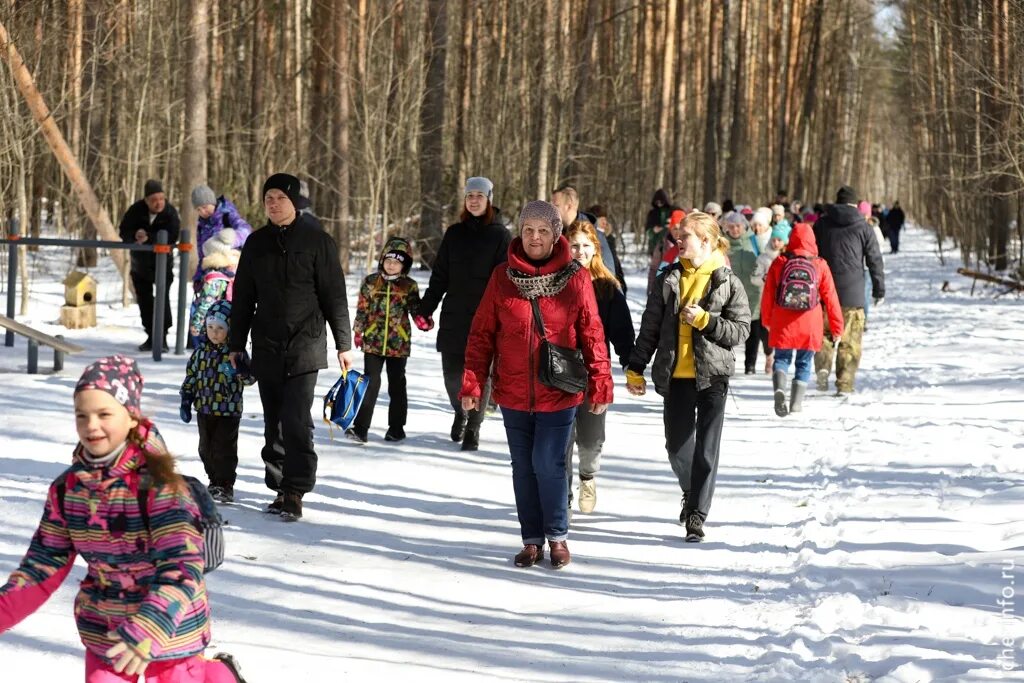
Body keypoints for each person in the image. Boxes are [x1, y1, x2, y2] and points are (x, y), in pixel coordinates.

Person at [0, 355, 245, 682]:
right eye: (81, 415)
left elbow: (182, 565)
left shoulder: (161, 488)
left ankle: (218, 675)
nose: (91, 426)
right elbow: (43, 563)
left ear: (131, 417)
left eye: (104, 414)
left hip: (171, 631)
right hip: (107, 632)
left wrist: (146, 629)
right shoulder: (68, 490)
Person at [460, 201, 613, 569]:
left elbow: (592, 332)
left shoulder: (574, 277)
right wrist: (472, 383)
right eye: (528, 230)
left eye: (543, 231)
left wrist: (600, 381)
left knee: (547, 463)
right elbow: (482, 334)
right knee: (522, 466)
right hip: (513, 391)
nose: (534, 237)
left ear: (556, 234)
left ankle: (557, 535)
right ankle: (531, 540)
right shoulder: (502, 277)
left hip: (558, 389)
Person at [230, 173, 353, 521]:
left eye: (280, 198)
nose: (273, 203)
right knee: (273, 422)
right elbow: (243, 298)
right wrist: (236, 344)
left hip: (306, 344)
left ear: (295, 202)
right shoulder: (255, 243)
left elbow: (335, 297)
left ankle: (296, 489)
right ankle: (280, 487)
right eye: (268, 197)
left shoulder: (318, 241)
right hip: (267, 343)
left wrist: (343, 343)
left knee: (296, 419)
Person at [626, 212, 750, 543]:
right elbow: (650, 326)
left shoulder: (727, 281)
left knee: (707, 450)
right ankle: (691, 489)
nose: (678, 242)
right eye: (678, 237)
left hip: (712, 377)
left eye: (685, 238)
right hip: (676, 375)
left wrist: (707, 321)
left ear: (706, 241)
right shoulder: (669, 278)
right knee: (676, 446)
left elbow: (740, 331)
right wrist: (636, 367)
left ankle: (696, 514)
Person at [417, 177, 511, 451]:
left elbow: (504, 280)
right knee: (452, 375)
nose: (474, 200)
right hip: (455, 315)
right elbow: (440, 276)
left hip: (487, 318)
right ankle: (460, 411)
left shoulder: (500, 236)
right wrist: (426, 308)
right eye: (470, 195)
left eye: (479, 195)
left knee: (483, 375)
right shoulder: (454, 234)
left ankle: (474, 427)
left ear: (489, 199)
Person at [563, 221, 634, 514]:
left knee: (591, 441)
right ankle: (562, 494)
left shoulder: (607, 287)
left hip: (594, 373)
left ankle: (587, 476)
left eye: (585, 246)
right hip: (559, 371)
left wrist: (632, 366)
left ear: (596, 250)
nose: (579, 251)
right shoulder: (555, 282)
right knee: (561, 440)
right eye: (574, 245)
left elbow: (623, 333)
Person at [760, 223, 844, 416]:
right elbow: (831, 298)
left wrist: (767, 319)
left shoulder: (780, 262)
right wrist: (837, 328)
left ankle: (780, 389)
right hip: (810, 322)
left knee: (781, 359)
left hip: (782, 320)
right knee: (804, 363)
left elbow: (768, 294)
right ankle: (796, 404)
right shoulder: (820, 264)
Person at [813, 185, 885, 395]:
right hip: (853, 294)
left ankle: (822, 372)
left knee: (824, 336)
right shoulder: (864, 226)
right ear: (855, 204)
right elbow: (875, 260)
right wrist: (879, 289)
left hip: (824, 292)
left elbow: (811, 253)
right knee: (850, 340)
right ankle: (844, 383)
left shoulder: (822, 224)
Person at [180, 301, 255, 503]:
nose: (214, 332)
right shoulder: (199, 353)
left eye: (220, 328)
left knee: (224, 449)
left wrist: (241, 370)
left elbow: (250, 380)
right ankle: (214, 481)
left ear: (229, 330)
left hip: (228, 411)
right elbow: (191, 377)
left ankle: (225, 484)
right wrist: (186, 398)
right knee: (205, 448)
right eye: (211, 327)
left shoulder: (234, 354)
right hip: (204, 408)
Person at [349, 238, 420, 444]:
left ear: (404, 265)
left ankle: (396, 428)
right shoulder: (371, 282)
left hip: (399, 342)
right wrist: (358, 330)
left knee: (397, 384)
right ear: (382, 260)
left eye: (397, 262)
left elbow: (416, 310)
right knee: (370, 382)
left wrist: (424, 319)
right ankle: (361, 428)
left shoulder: (409, 286)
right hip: (373, 341)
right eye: (388, 260)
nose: (391, 265)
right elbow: (362, 308)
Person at [118, 179, 180, 352]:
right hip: (140, 266)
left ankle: (163, 338)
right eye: (154, 199)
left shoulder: (170, 212)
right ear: (146, 200)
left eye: (161, 198)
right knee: (144, 302)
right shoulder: (135, 210)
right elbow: (123, 230)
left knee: (163, 300)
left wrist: (150, 238)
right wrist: (134, 235)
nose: (158, 202)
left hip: (162, 266)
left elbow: (173, 235)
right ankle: (151, 336)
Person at [550, 185, 623, 290]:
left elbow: (609, 278)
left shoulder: (593, 235)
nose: (551, 210)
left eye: (555, 206)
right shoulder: (553, 233)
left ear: (569, 206)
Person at [721, 211, 764, 375]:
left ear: (744, 226)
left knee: (753, 329)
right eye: (731, 226)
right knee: (728, 329)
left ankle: (750, 365)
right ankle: (725, 362)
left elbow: (764, 259)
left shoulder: (754, 241)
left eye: (738, 226)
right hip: (730, 294)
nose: (735, 229)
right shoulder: (723, 243)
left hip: (753, 292)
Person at [189, 184, 252, 290]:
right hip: (210, 274)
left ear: (212, 202)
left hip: (232, 270)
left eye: (205, 207)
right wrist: (198, 277)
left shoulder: (227, 215)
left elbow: (246, 230)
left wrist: (231, 240)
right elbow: (202, 255)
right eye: (199, 209)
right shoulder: (201, 226)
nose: (203, 212)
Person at [189, 229, 240, 347]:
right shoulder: (232, 273)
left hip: (212, 326)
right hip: (227, 324)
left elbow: (207, 303)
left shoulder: (214, 278)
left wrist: (196, 324)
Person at [585, 204, 627, 293]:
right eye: (601, 219)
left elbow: (614, 262)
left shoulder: (609, 238)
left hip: (616, 281)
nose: (605, 222)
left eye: (605, 219)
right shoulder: (590, 239)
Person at [645, 189, 680, 294]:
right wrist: (654, 230)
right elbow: (648, 231)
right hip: (657, 245)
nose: (659, 204)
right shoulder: (652, 213)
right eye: (657, 202)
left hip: (674, 244)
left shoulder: (674, 210)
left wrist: (672, 223)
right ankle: (654, 291)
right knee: (657, 270)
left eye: (661, 202)